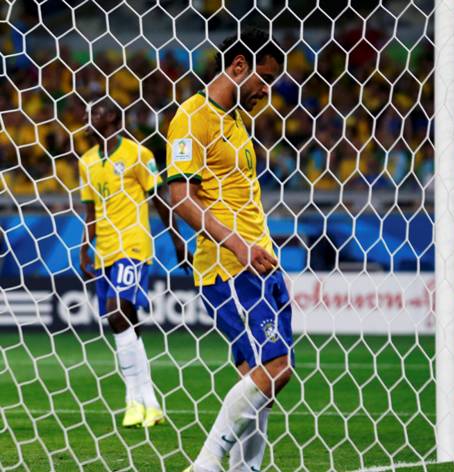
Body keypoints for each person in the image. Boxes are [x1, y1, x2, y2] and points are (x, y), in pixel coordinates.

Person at [166, 29, 293, 471]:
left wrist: (259, 246)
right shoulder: (191, 116)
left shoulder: (237, 122)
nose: (267, 88)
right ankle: (206, 462)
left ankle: (246, 470)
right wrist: (239, 245)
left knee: (259, 381)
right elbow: (180, 197)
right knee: (277, 367)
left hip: (260, 262)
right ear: (238, 65)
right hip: (227, 265)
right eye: (265, 76)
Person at [79, 96, 190, 428]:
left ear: (112, 116)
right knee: (128, 323)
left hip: (133, 245)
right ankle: (151, 405)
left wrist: (177, 239)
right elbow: (90, 211)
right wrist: (86, 247)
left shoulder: (139, 154)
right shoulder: (86, 161)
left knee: (116, 313)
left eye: (95, 112)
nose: (88, 117)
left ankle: (131, 400)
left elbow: (160, 198)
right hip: (106, 251)